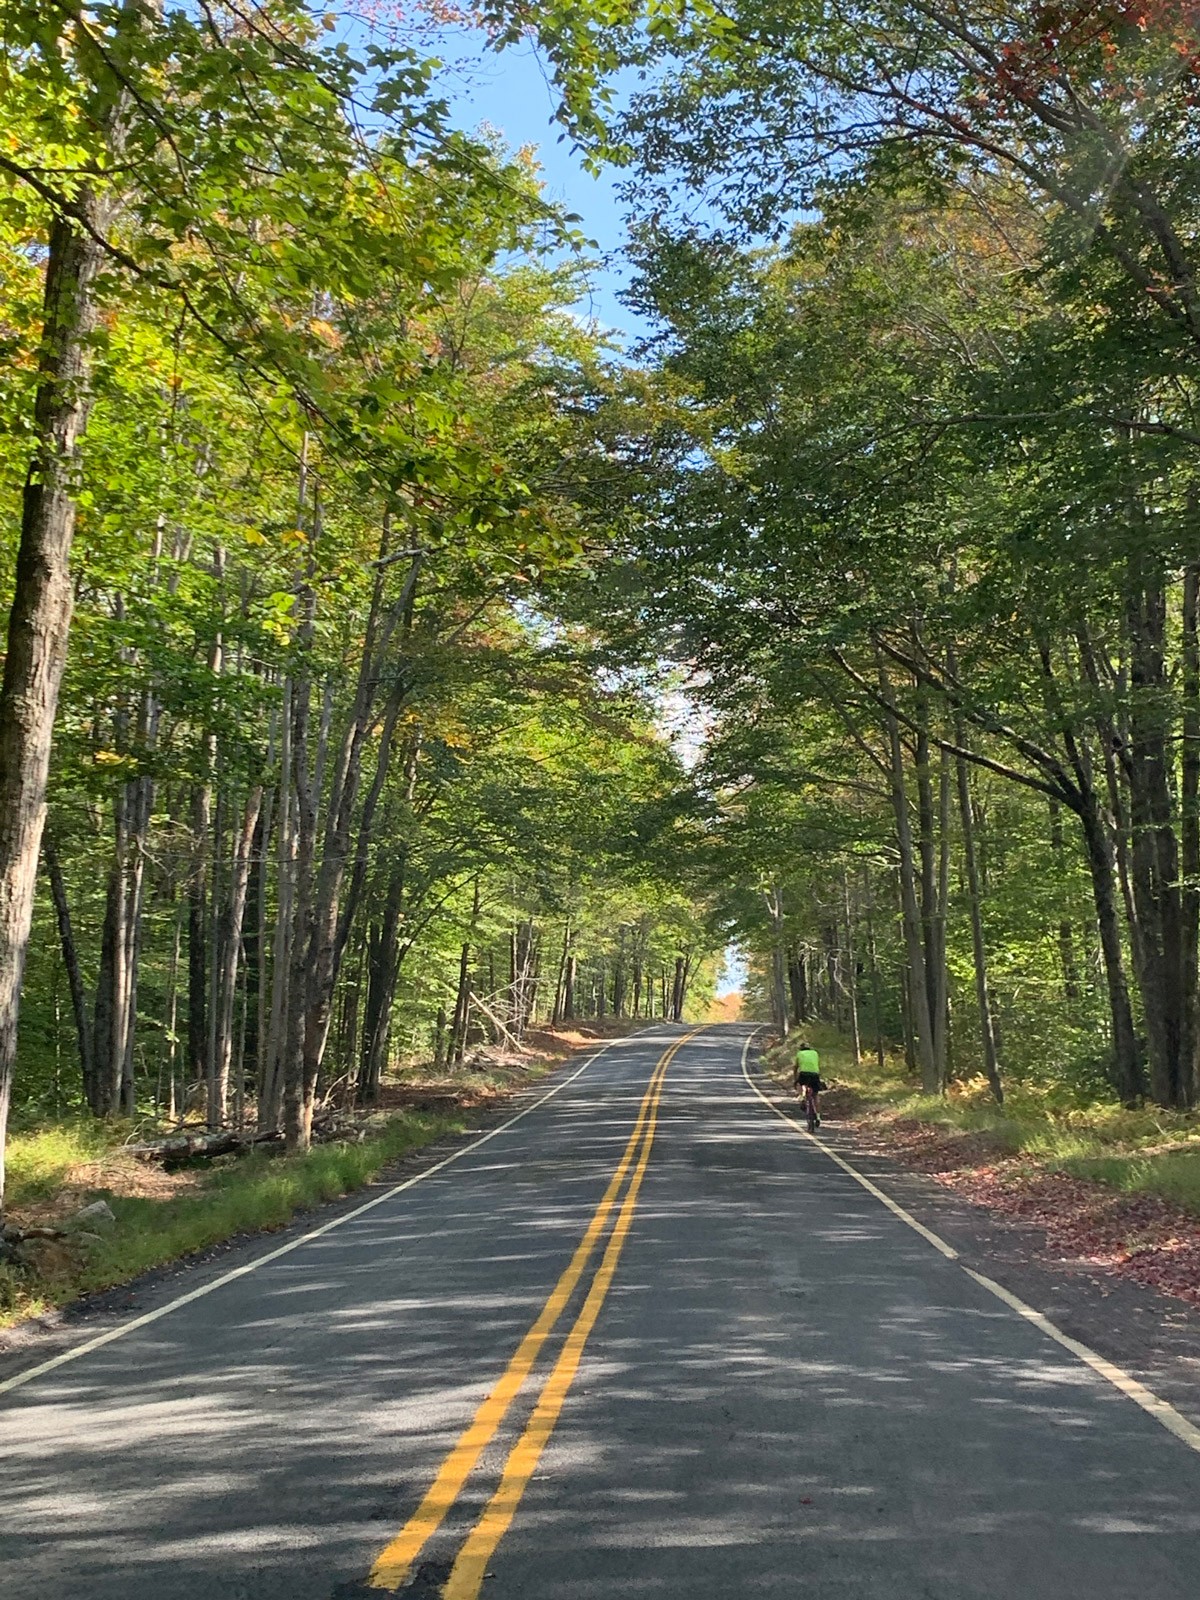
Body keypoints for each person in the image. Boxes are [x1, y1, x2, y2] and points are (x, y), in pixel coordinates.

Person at [792, 1040, 826, 1128]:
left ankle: (802, 1098)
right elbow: (816, 1065)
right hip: (815, 1074)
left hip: (804, 1073)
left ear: (801, 1048)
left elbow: (796, 1067)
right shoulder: (815, 1053)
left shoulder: (799, 1053)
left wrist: (795, 1079)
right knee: (815, 1095)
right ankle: (818, 1117)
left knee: (801, 1084)